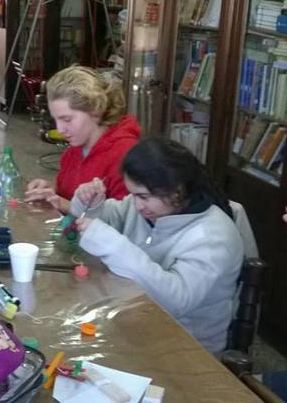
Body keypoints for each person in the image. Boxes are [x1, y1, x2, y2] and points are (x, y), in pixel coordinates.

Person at [72, 138, 243, 354]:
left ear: (177, 191)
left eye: (143, 196)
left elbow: (176, 301)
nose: (137, 204)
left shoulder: (212, 237)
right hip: (134, 318)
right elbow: (109, 218)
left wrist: (115, 246)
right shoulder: (151, 207)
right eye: (133, 194)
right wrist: (90, 204)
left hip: (187, 347)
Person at [24, 66, 140, 214]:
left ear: (96, 110)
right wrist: (49, 191)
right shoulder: (74, 150)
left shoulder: (125, 155)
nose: (60, 129)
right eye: (56, 120)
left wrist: (64, 204)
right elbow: (68, 193)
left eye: (67, 119)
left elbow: (126, 219)